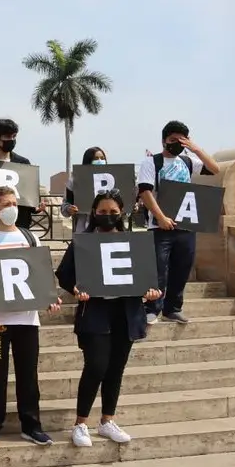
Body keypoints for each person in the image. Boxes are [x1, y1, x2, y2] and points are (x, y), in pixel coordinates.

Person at [55, 190, 163, 447]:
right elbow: (64, 275)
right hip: (94, 313)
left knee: (116, 369)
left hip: (125, 315)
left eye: (113, 212)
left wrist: (150, 292)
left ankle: (107, 420)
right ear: (93, 213)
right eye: (102, 212)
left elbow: (150, 278)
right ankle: (81, 423)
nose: (107, 216)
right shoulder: (82, 242)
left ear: (122, 214)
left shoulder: (134, 243)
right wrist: (75, 290)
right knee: (96, 366)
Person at [0, 186, 61, 447]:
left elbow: (42, 276)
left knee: (27, 374)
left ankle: (31, 425)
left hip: (27, 320)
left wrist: (50, 298)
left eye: (15, 203)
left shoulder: (30, 237)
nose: (12, 208)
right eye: (7, 204)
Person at [137, 120, 220, 325]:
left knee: (182, 268)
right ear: (164, 141)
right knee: (158, 269)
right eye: (173, 140)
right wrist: (160, 217)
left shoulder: (188, 162)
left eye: (181, 140)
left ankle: (173, 308)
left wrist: (196, 149)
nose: (176, 144)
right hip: (160, 226)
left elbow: (215, 169)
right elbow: (145, 191)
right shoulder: (151, 162)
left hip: (186, 224)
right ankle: (152, 308)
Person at [62, 146, 108, 234]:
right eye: (96, 158)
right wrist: (69, 209)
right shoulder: (75, 180)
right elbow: (65, 206)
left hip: (108, 229)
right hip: (84, 229)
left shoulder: (112, 178)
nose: (100, 161)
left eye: (102, 158)